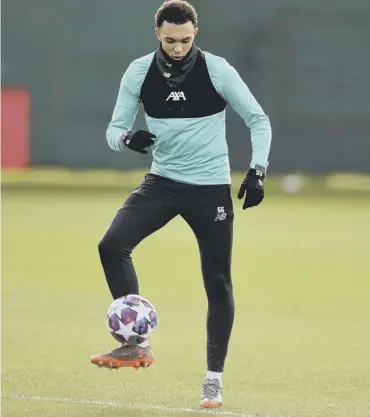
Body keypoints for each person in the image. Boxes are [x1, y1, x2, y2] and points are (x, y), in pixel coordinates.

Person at [90, 0, 272, 409]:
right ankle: (137, 345)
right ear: (157, 33)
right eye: (170, 40)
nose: (177, 47)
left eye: (185, 40)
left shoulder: (217, 69)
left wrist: (257, 170)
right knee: (111, 245)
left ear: (196, 34)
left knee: (217, 280)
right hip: (162, 183)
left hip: (209, 190)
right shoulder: (139, 71)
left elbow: (258, 119)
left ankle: (213, 379)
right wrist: (127, 139)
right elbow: (114, 129)